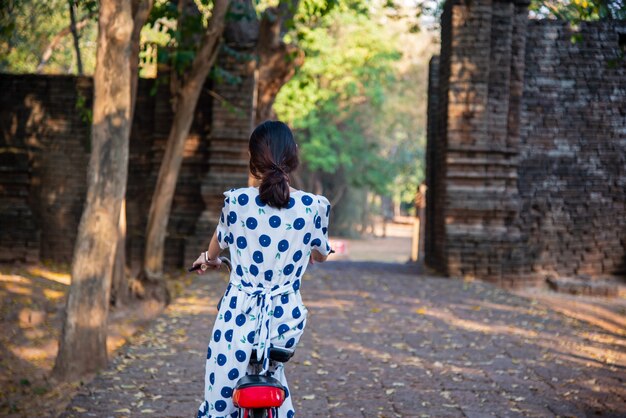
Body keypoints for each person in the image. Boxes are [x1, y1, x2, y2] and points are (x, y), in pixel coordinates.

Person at [194, 120, 332, 418]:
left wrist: (209, 258)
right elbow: (321, 254)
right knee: (272, 377)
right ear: (293, 154)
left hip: (238, 314)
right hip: (285, 319)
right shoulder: (314, 207)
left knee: (219, 396)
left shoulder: (237, 202)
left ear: (252, 159)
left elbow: (219, 241)